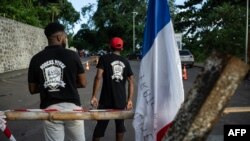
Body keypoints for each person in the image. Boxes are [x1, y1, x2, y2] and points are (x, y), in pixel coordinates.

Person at [28, 22, 87, 141]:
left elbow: (32, 89)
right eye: (65, 37)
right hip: (73, 108)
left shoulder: (36, 58)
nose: (66, 39)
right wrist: (65, 83)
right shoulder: (72, 55)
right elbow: (83, 82)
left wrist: (48, 84)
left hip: (50, 108)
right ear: (60, 37)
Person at [91, 37, 134, 141]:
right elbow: (131, 82)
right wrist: (129, 100)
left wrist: (94, 96)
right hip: (120, 100)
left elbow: (98, 77)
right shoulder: (125, 62)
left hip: (105, 100)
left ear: (110, 46)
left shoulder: (104, 58)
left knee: (100, 127)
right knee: (120, 127)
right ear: (122, 48)